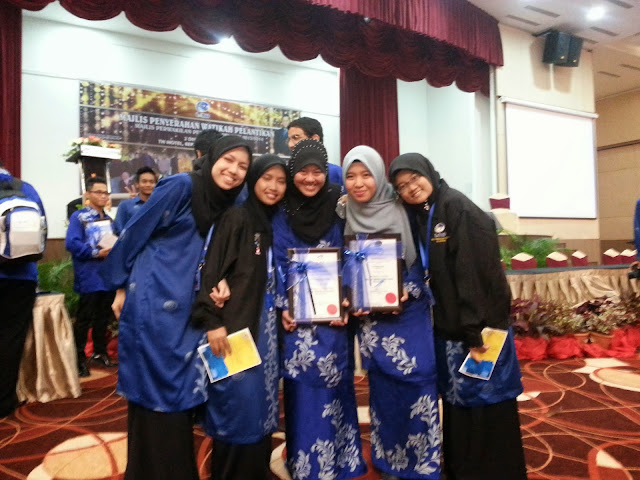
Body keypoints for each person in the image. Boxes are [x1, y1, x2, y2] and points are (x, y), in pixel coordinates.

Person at [101, 135, 252, 480]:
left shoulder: (236, 198)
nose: (234, 170)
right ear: (211, 158)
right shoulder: (181, 186)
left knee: (187, 393)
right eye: (228, 161)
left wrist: (225, 277)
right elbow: (135, 232)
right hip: (157, 299)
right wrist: (120, 286)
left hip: (198, 306)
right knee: (159, 390)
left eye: (243, 166)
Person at [389, 153, 527, 480]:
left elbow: (475, 274)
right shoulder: (426, 213)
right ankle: (463, 469)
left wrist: (474, 331)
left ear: (429, 173)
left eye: (414, 179)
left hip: (480, 331)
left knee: (486, 405)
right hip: (454, 330)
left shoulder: (458, 208)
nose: (411, 188)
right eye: (402, 185)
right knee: (459, 406)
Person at [342, 146, 441, 480]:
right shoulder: (343, 211)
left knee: (418, 380)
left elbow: (424, 258)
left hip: (408, 311)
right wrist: (346, 292)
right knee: (383, 390)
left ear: (378, 174)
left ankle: (422, 462)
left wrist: (409, 287)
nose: (358, 183)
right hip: (371, 318)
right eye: (350, 176)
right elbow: (340, 260)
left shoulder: (403, 206)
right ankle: (389, 461)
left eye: (365, 174)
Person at [272, 139, 366, 480]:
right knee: (302, 392)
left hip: (333, 318)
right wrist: (282, 304)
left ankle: (340, 460)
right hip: (296, 321)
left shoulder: (339, 207)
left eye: (317, 171)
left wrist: (349, 296)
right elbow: (275, 264)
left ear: (326, 173)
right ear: (292, 173)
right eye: (303, 171)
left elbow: (353, 254)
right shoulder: (279, 211)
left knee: (336, 387)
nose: (310, 179)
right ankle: (307, 465)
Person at [192, 154, 286, 480]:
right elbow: (210, 271)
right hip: (234, 328)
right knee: (235, 404)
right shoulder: (237, 217)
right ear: (254, 180)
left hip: (263, 327)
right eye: (267, 178)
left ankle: (255, 471)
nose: (274, 187)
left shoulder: (269, 221)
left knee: (260, 404)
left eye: (281, 181)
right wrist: (213, 322)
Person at [0, 161, 46, 418]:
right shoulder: (26, 188)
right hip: (22, 276)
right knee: (11, 339)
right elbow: (41, 235)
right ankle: (4, 401)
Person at [65, 176, 117, 377]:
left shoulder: (109, 219)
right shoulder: (79, 217)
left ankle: (100, 352)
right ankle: (78, 358)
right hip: (89, 275)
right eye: (99, 192)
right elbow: (72, 243)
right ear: (87, 194)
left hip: (107, 275)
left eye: (106, 193)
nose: (103, 196)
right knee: (84, 318)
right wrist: (95, 253)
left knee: (103, 317)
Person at [287, 117, 343, 188]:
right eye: (289, 139)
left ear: (314, 139)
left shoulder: (337, 173)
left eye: (296, 137)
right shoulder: (285, 173)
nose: (290, 145)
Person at [112, 166, 158, 235]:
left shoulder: (161, 204)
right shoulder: (125, 205)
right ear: (137, 184)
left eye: (151, 182)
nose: (148, 185)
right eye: (144, 181)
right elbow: (119, 230)